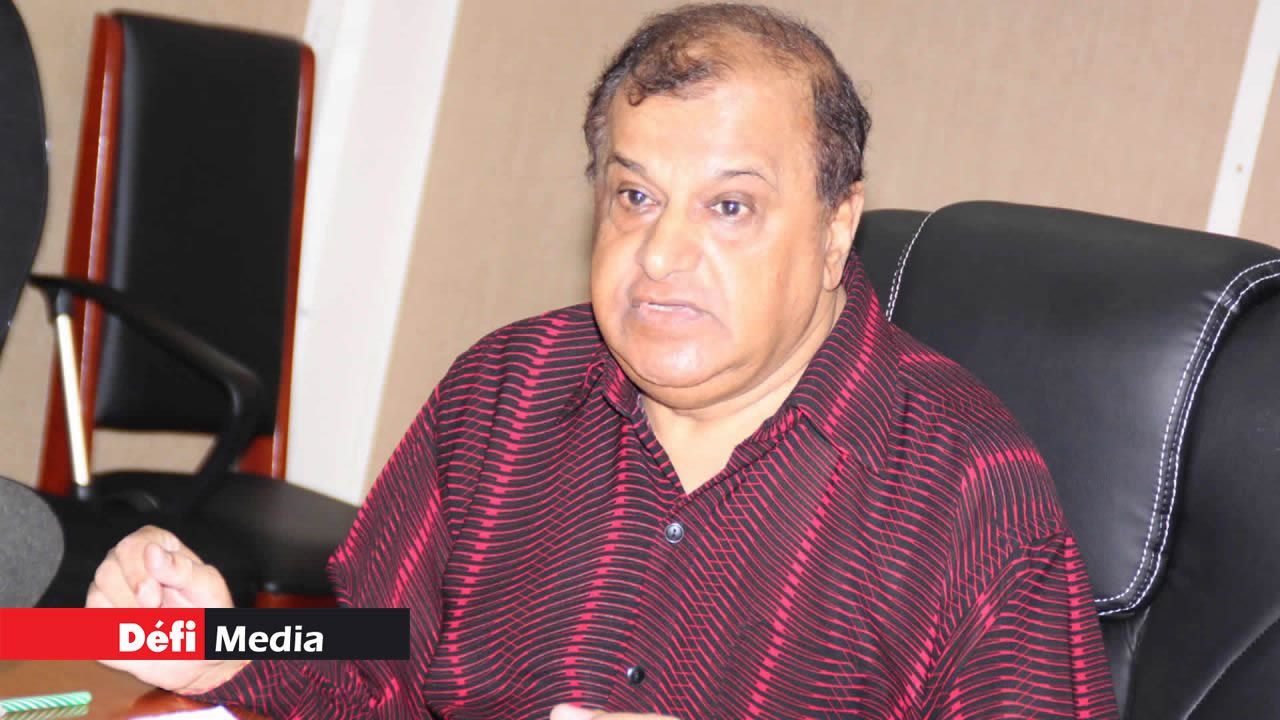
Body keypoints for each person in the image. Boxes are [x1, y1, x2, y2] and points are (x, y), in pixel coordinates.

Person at [86, 4, 1119, 718]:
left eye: (729, 207)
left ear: (836, 226)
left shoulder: (967, 487)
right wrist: (224, 649)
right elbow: (375, 666)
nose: (661, 254)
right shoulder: (501, 392)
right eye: (635, 196)